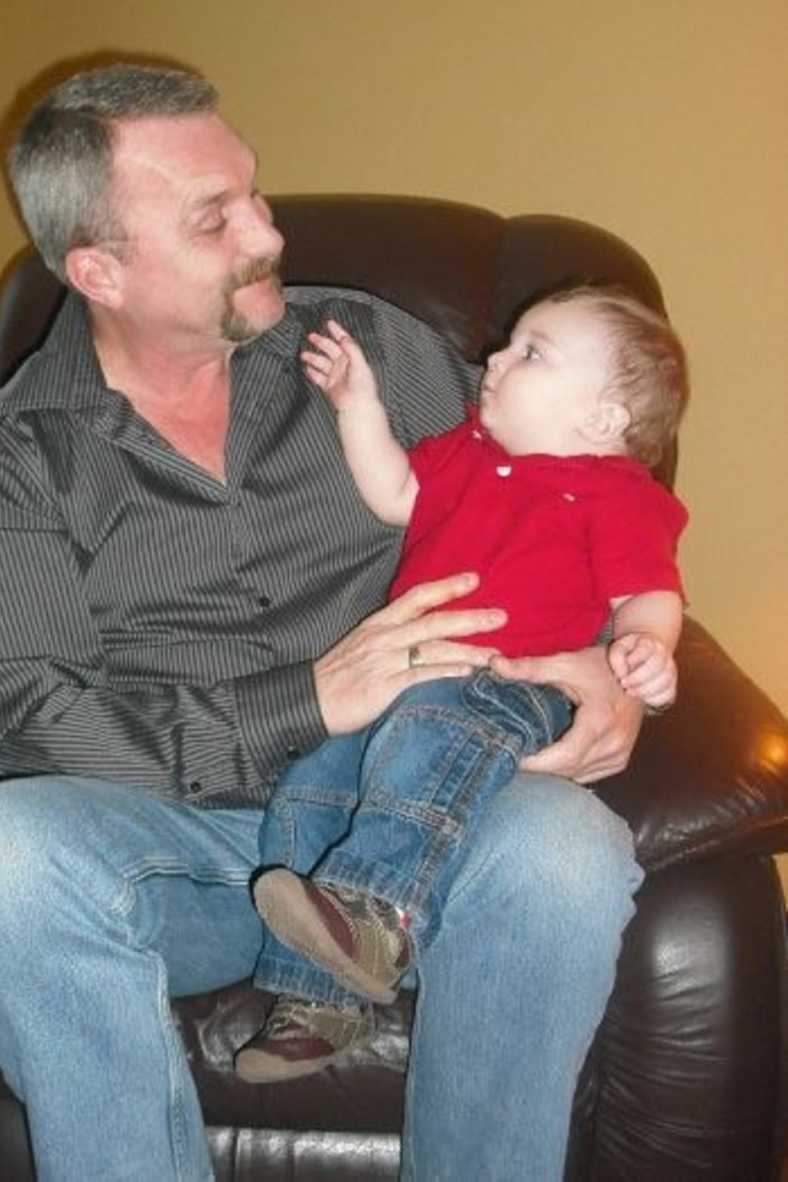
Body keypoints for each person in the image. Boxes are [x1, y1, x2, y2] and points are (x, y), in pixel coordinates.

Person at [0, 61, 647, 1182]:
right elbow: (16, 728)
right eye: (216, 219)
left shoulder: (375, 351)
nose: (267, 232)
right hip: (180, 854)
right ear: (97, 269)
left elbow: (563, 504)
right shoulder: (12, 459)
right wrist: (302, 700)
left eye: (253, 192)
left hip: (412, 823)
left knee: (565, 850)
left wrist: (602, 661)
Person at [236, 288, 688, 1084]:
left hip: (507, 683)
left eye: (532, 353)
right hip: (404, 677)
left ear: (603, 421)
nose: (495, 361)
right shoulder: (466, 452)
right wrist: (357, 402)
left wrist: (648, 644)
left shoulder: (615, 492)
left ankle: (381, 912)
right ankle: (318, 1001)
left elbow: (647, 592)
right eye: (507, 345)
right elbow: (394, 495)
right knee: (310, 784)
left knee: (428, 731)